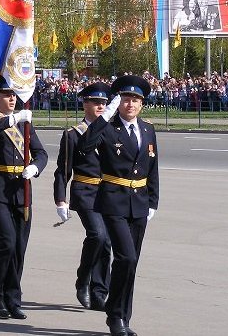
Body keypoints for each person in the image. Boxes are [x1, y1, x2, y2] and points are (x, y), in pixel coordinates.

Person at [76, 75, 159, 336]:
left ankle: (123, 316)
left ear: (142, 104)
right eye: (125, 99)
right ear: (117, 102)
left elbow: (152, 167)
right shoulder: (108, 129)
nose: (130, 104)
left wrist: (154, 201)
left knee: (131, 264)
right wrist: (104, 117)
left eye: (135, 99)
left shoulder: (147, 129)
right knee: (126, 257)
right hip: (113, 201)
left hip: (140, 203)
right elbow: (84, 146)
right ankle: (115, 316)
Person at [0, 75, 47, 320]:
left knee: (19, 246)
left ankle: (13, 297)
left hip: (20, 189)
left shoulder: (25, 124)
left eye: (14, 95)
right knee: (6, 239)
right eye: (6, 94)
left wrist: (35, 167)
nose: (12, 98)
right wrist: (13, 119)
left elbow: (41, 153)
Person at [53, 82, 112, 311]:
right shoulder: (73, 135)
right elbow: (63, 170)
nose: (100, 106)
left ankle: (100, 292)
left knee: (107, 243)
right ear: (84, 104)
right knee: (98, 235)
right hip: (85, 191)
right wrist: (61, 199)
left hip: (108, 193)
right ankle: (83, 280)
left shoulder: (111, 131)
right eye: (95, 102)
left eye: (103, 103)